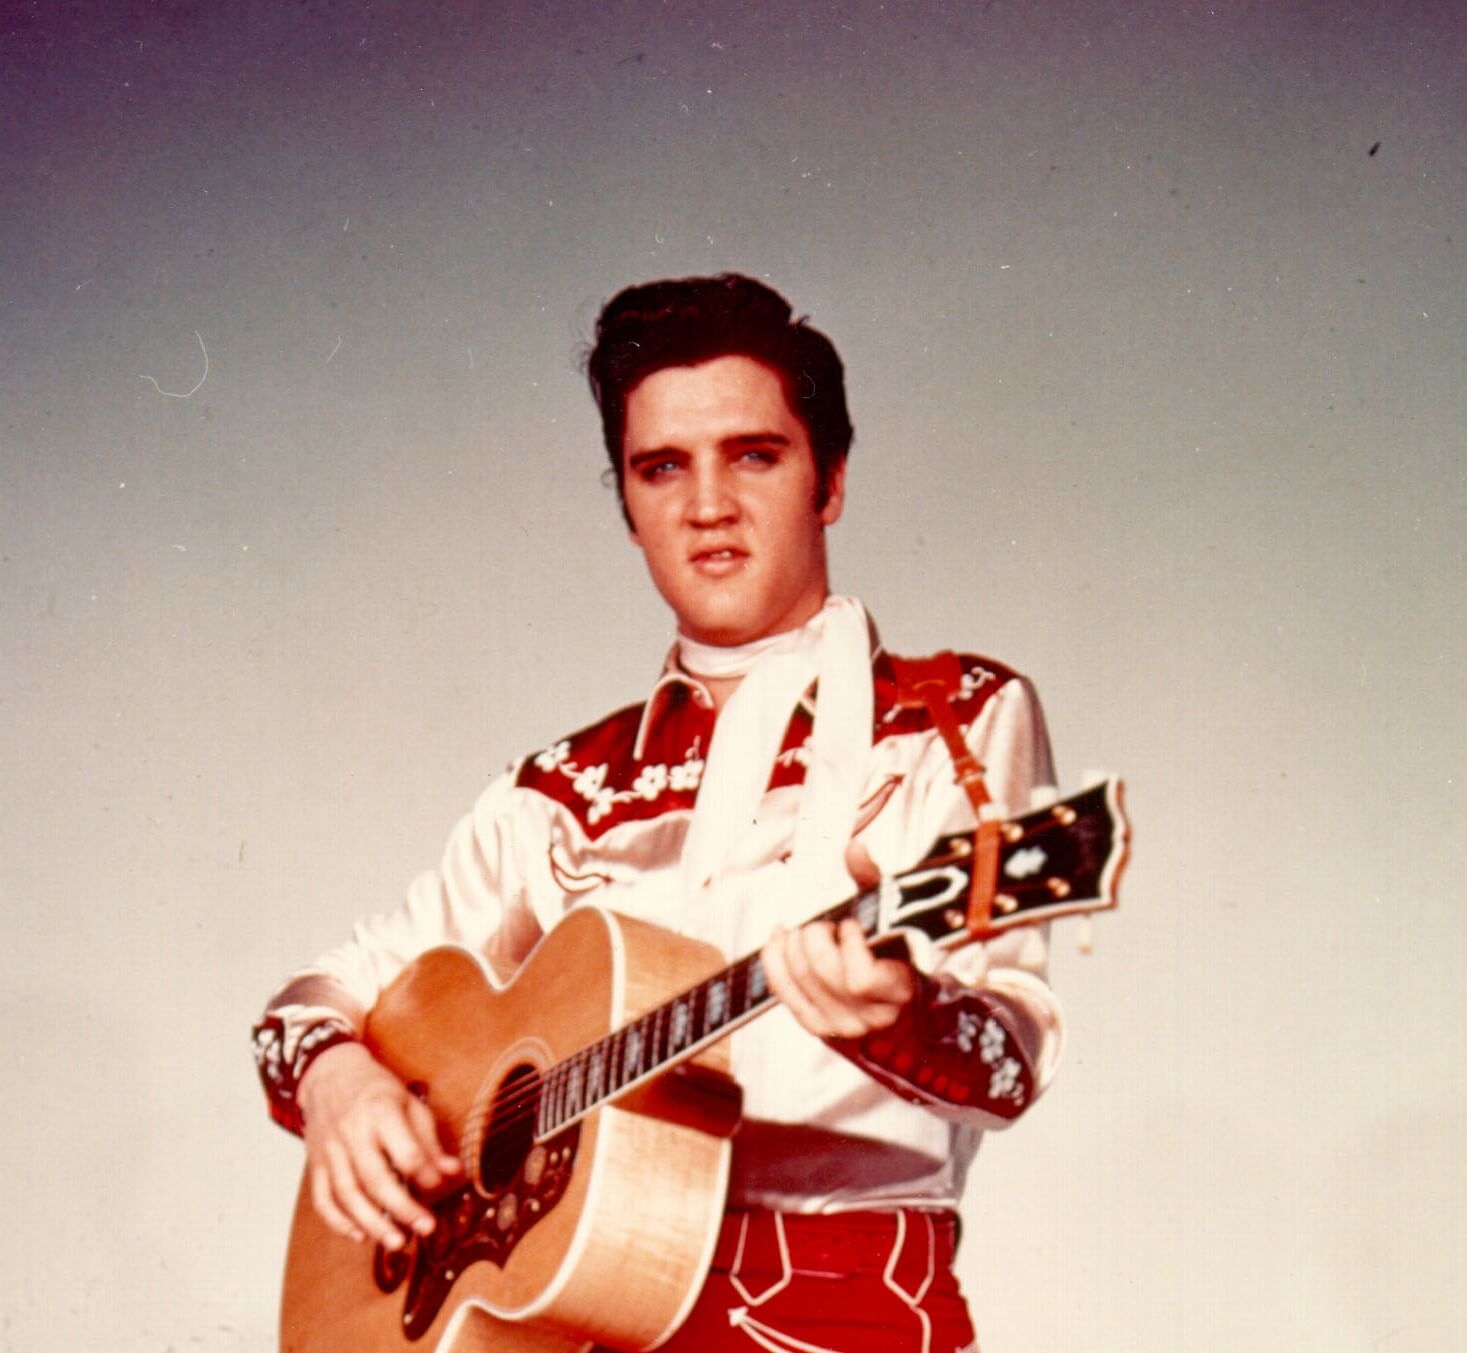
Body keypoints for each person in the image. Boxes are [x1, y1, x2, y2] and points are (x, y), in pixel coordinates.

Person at [253, 273, 1063, 1353]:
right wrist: (336, 1079)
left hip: (841, 1308)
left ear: (830, 480)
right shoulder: (558, 789)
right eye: (662, 467)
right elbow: (313, 1003)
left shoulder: (952, 718)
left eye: (755, 455)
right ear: (627, 503)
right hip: (578, 1315)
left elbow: (1005, 1059)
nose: (708, 506)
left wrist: (899, 1013)